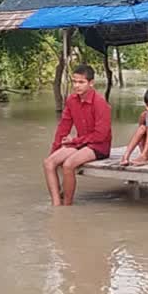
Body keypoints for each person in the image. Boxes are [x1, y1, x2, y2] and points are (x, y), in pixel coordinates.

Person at [43, 64, 112, 206]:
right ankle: (56, 204)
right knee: (49, 163)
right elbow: (63, 127)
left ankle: (67, 205)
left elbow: (101, 135)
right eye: (74, 81)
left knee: (69, 165)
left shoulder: (100, 103)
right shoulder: (71, 100)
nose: (77, 86)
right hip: (80, 143)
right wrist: (55, 150)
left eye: (81, 82)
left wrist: (75, 140)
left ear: (91, 83)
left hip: (98, 146)